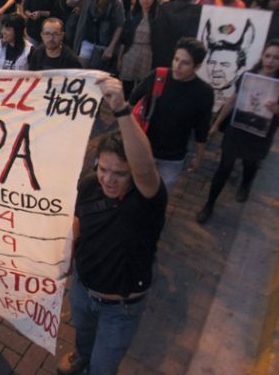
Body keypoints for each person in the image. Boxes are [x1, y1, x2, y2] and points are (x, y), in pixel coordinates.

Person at [58, 76, 167, 375]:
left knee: (103, 367)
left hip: (120, 308)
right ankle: (82, 356)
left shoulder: (148, 200)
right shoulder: (90, 184)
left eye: (119, 173)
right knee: (83, 335)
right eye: (103, 169)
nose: (108, 178)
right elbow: (79, 221)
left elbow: (145, 167)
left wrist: (121, 110)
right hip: (82, 288)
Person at [197, 40, 279, 224]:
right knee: (224, 167)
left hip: (261, 134)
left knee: (250, 163)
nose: (270, 61)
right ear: (262, 56)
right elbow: (232, 101)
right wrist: (216, 124)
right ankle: (209, 204)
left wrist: (278, 110)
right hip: (237, 130)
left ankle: (245, 184)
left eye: (276, 57)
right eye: (268, 56)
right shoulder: (248, 76)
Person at [128, 37, 214, 191]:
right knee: (133, 191)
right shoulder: (158, 76)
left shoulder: (204, 92)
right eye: (176, 59)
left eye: (185, 63)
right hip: (144, 149)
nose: (177, 66)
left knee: (160, 195)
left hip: (173, 157)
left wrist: (199, 155)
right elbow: (132, 102)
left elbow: (202, 129)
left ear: (197, 66)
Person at [67, 0, 125, 71]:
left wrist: (111, 47)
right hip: (87, 40)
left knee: (98, 73)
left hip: (104, 43)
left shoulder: (116, 3)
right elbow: (70, 1)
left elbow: (119, 26)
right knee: (82, 70)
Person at [119, 0, 158, 99]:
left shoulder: (158, 15)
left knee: (143, 84)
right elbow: (124, 37)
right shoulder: (132, 14)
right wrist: (120, 57)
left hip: (148, 53)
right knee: (127, 83)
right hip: (131, 50)